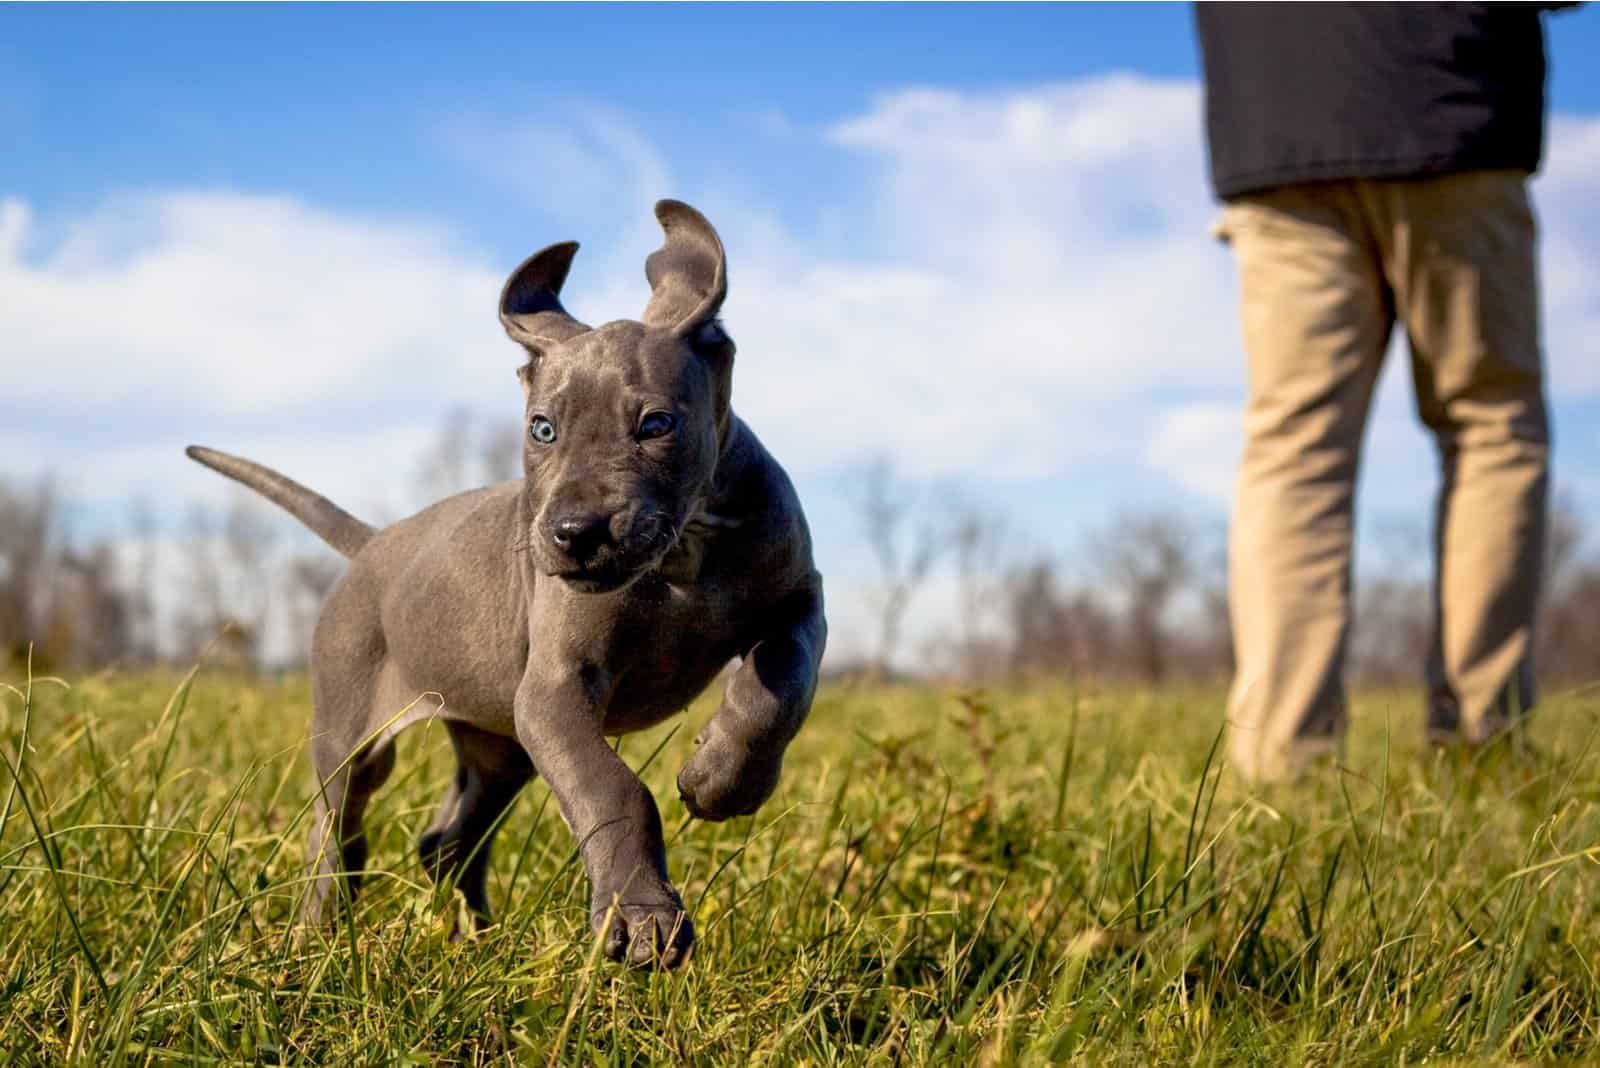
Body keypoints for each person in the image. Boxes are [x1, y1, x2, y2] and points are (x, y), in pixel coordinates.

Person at [1195, 3, 1579, 783]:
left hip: (1278, 108)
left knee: (1294, 449)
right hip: (1450, 94)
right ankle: (1484, 746)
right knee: (1491, 423)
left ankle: (1280, 763)